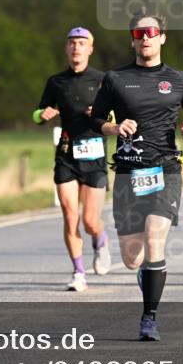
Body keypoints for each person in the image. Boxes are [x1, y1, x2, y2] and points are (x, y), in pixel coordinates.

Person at [89, 9, 183, 341]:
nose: (146, 39)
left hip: (166, 168)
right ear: (133, 41)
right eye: (139, 35)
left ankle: (149, 317)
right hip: (128, 172)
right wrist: (114, 126)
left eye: (151, 33)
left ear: (162, 37)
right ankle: (145, 273)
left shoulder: (181, 80)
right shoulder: (115, 78)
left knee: (156, 236)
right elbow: (96, 118)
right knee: (131, 256)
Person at [34, 27, 112, 292]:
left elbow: (116, 117)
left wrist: (103, 115)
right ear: (66, 49)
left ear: (91, 48)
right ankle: (79, 272)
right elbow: (37, 112)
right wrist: (41, 115)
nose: (76, 47)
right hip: (67, 154)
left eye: (81, 43)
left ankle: (100, 239)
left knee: (90, 221)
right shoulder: (56, 82)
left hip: (95, 155)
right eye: (72, 43)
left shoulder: (103, 80)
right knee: (69, 216)